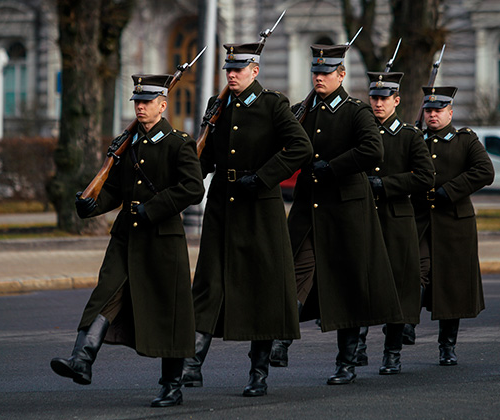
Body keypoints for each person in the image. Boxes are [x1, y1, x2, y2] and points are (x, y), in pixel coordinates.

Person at [50, 74, 205, 407]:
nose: (140, 107)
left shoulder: (179, 143)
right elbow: (115, 190)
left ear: (163, 106)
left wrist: (153, 208)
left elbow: (194, 188)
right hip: (126, 236)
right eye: (137, 102)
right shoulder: (128, 142)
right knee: (104, 294)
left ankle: (171, 385)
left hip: (162, 238)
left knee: (168, 311)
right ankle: (82, 359)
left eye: (147, 102)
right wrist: (92, 205)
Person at [181, 42, 313, 397]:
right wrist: (186, 179)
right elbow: (206, 157)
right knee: (209, 282)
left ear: (255, 70)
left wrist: (265, 176)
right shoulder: (217, 105)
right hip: (223, 206)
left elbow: (301, 147)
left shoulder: (273, 104)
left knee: (263, 288)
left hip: (260, 207)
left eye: (239, 69)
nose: (232, 75)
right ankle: (191, 365)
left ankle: (258, 373)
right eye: (228, 70)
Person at [272, 43, 404, 385]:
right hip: (309, 208)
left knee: (346, 285)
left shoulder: (355, 111)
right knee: (293, 271)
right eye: (315, 72)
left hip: (346, 209)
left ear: (341, 75)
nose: (318, 77)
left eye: (325, 73)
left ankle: (346, 363)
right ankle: (281, 339)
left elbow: (371, 150)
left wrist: (332, 167)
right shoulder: (303, 109)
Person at [353, 71, 435, 374]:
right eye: (373, 98)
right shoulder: (360, 132)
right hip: (365, 218)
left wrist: (386, 185)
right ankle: (356, 347)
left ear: (396, 101)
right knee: (361, 283)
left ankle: (392, 352)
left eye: (383, 98)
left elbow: (425, 177)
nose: (377, 103)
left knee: (399, 289)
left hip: (397, 220)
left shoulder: (409, 135)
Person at [411, 86, 494, 366]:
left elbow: (485, 171)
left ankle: (447, 346)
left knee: (451, 286)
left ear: (450, 112)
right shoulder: (416, 138)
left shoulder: (465, 140)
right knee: (415, 272)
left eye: (438, 110)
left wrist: (451, 190)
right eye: (429, 110)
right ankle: (407, 324)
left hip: (454, 223)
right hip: (420, 218)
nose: (433, 115)